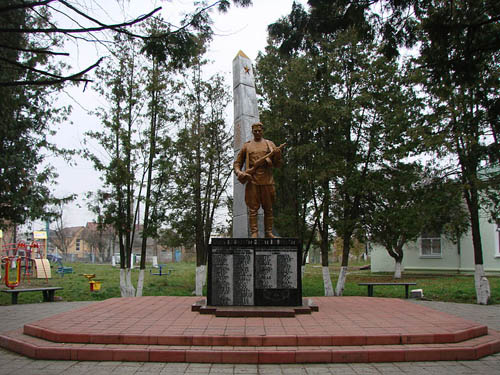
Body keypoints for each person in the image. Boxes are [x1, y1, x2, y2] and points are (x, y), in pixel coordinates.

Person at [233, 122, 283, 238]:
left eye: (259, 131)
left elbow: (278, 164)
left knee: (268, 209)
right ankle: (254, 233)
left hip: (267, 181)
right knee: (253, 209)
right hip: (252, 181)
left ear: (262, 131)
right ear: (252, 131)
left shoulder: (270, 145)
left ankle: (269, 232)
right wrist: (240, 173)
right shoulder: (247, 146)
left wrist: (277, 155)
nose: (257, 133)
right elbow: (237, 163)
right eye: (255, 131)